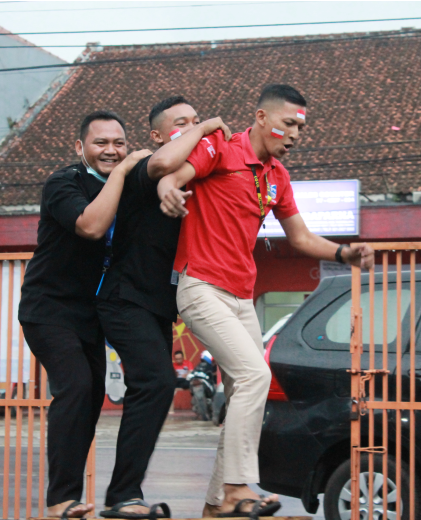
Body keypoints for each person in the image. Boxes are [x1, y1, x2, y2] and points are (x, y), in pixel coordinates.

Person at [157, 84, 375, 518]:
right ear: (260, 117)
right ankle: (237, 488)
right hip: (201, 287)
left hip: (241, 297)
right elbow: (173, 174)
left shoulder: (277, 176)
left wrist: (343, 253)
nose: (294, 134)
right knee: (255, 375)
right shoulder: (221, 148)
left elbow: (300, 237)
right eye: (288, 123)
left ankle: (217, 505)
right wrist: (168, 188)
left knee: (246, 390)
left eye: (300, 128)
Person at [95, 95, 232, 518]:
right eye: (181, 123)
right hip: (124, 299)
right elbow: (161, 167)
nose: (194, 128)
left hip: (156, 307)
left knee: (156, 388)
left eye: (196, 120)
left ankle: (128, 493)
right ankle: (122, 496)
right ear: (156, 135)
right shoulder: (142, 167)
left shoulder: (193, 176)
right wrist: (206, 126)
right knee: (155, 383)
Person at [18, 110, 151, 519]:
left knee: (91, 398)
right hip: (49, 308)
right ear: (80, 147)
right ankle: (60, 499)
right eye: (101, 143)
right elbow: (90, 227)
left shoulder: (131, 187)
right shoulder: (64, 182)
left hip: (92, 315)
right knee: (75, 387)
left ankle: (74, 497)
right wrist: (124, 170)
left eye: (119, 144)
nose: (111, 150)